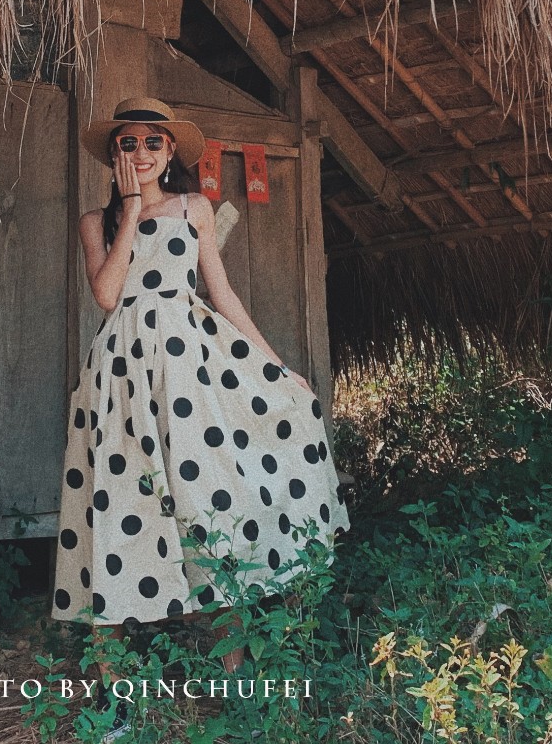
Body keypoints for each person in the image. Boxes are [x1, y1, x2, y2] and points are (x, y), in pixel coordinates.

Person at [48, 95, 350, 683]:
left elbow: (223, 294)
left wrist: (276, 364)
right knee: (117, 503)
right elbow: (109, 296)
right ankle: (115, 690)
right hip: (120, 377)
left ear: (169, 153)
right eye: (127, 143)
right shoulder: (96, 222)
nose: (139, 152)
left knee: (208, 499)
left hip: (191, 372)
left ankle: (232, 678)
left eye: (151, 142)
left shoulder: (195, 208)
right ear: (114, 154)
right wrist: (130, 208)